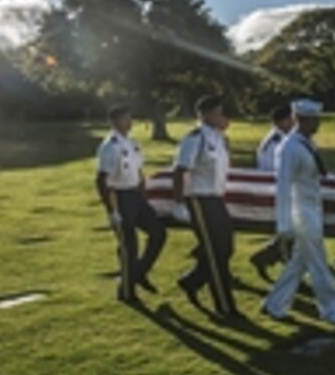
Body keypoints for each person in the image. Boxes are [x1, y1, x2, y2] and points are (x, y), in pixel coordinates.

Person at [260, 99, 335, 326]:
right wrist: (283, 223)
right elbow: (282, 185)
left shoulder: (305, 143)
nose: (318, 124)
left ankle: (275, 304)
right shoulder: (290, 147)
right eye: (315, 120)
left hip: (312, 207)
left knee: (299, 262)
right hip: (300, 210)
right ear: (303, 120)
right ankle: (334, 310)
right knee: (318, 262)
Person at [172, 95, 238, 320]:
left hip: (216, 199)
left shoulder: (219, 138)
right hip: (199, 200)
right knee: (214, 254)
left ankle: (191, 281)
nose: (222, 116)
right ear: (206, 115)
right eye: (218, 113)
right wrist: (180, 203)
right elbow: (181, 171)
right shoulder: (195, 138)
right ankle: (224, 308)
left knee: (227, 247)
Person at [95, 105, 166, 303]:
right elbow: (102, 180)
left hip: (135, 196)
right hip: (119, 197)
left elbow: (139, 173)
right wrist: (112, 211)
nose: (130, 122)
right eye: (125, 118)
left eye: (130, 117)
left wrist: (144, 197)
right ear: (114, 122)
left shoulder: (132, 143)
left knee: (158, 232)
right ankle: (126, 292)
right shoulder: (110, 146)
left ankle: (139, 272)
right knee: (129, 247)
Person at [249, 103, 294, 280]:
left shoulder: (282, 139)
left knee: (292, 235)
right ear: (282, 121)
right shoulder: (275, 143)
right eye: (291, 119)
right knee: (291, 235)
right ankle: (290, 274)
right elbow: (274, 172)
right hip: (277, 193)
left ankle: (264, 259)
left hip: (283, 192)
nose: (294, 122)